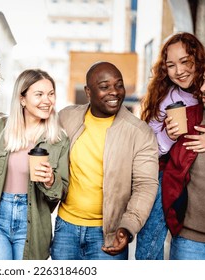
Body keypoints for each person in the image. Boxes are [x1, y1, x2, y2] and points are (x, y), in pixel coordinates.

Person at [50, 61, 159, 260]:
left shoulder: (139, 132)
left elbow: (146, 185)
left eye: (119, 85)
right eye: (104, 87)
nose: (114, 92)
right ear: (88, 92)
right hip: (65, 229)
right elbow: (32, 126)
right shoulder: (67, 118)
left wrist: (128, 227)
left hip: (110, 234)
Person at [136, 32, 205, 260]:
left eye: (185, 61)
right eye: (171, 65)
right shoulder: (166, 99)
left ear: (198, 60)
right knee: (153, 226)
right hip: (163, 167)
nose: (179, 71)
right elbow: (148, 148)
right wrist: (168, 136)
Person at [0, 69, 70, 260]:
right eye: (39, 94)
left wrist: (50, 180)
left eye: (51, 94)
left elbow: (60, 193)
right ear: (22, 99)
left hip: (33, 222)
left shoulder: (59, 139)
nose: (47, 101)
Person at [167, 51, 205, 259]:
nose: (203, 87)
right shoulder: (188, 119)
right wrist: (168, 136)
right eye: (203, 80)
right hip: (190, 243)